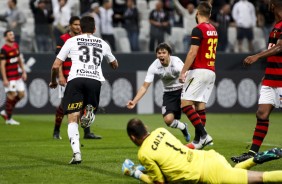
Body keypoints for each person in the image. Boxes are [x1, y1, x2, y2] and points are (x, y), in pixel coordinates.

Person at [123, 118, 282, 184]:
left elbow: (160, 182)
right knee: (232, 172)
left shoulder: (143, 154)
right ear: (146, 128)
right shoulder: (160, 131)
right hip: (208, 158)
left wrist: (136, 173)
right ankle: (256, 159)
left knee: (262, 178)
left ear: (132, 137)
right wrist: (144, 166)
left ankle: (259, 159)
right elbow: (173, 152)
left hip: (207, 173)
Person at [49, 16, 118, 164]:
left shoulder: (71, 41)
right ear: (94, 29)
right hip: (95, 81)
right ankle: (89, 110)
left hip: (76, 80)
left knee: (72, 118)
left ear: (80, 28)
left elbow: (55, 65)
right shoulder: (102, 43)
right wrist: (110, 63)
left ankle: (77, 153)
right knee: (86, 112)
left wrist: (53, 81)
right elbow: (114, 64)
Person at [231, 0, 282, 163]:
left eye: (269, 2)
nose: (266, 5)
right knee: (261, 114)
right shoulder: (277, 25)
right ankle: (252, 153)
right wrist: (267, 72)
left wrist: (257, 56)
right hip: (271, 78)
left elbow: (280, 47)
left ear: (273, 6)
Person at [127, 43, 190, 142]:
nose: (161, 55)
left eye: (164, 52)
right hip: (169, 93)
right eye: (159, 53)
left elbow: (189, 76)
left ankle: (201, 136)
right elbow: (144, 86)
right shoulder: (154, 66)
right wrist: (134, 101)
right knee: (168, 120)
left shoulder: (176, 62)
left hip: (182, 90)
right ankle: (183, 127)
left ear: (169, 54)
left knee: (191, 109)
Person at [52, 16, 101, 140]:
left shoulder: (83, 39)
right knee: (64, 105)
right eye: (75, 24)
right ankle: (56, 130)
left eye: (79, 24)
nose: (78, 27)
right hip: (67, 76)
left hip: (81, 75)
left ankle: (87, 132)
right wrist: (61, 76)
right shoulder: (63, 39)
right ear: (70, 25)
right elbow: (59, 59)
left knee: (85, 103)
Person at [179, 1, 217, 150]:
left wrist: (183, 71)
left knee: (186, 103)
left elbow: (192, 52)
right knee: (200, 105)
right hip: (211, 71)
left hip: (199, 70)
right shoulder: (213, 29)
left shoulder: (198, 29)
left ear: (197, 13)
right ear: (209, 14)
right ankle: (197, 141)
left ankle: (204, 135)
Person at [0, 30, 27, 125]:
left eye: (12, 34)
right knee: (12, 95)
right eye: (10, 35)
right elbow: (2, 65)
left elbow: (19, 59)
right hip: (9, 76)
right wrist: (5, 79)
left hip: (17, 75)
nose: (12, 36)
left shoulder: (15, 45)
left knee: (21, 94)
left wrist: (23, 71)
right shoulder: (4, 49)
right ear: (5, 37)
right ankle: (9, 119)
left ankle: (6, 112)